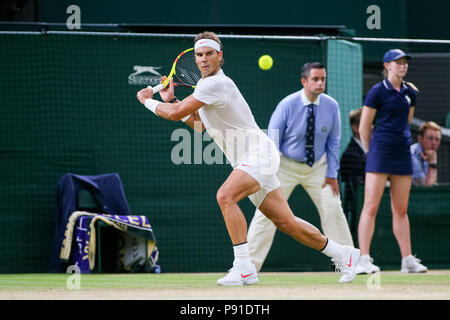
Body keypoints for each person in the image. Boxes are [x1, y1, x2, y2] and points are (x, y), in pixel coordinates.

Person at [136, 31, 360, 285]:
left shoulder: (214, 84)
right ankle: (344, 254)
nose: (203, 59)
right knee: (287, 222)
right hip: (255, 158)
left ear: (220, 56)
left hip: (258, 154)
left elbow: (175, 114)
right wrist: (173, 98)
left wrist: (147, 101)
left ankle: (244, 267)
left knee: (225, 196)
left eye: (209, 54)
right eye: (199, 55)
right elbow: (198, 124)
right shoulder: (205, 87)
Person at [247, 62, 354, 272]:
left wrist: (332, 174)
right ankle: (249, 267)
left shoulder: (331, 105)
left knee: (333, 209)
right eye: (315, 79)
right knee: (266, 213)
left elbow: (334, 142)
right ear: (304, 81)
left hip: (319, 169)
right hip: (284, 166)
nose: (320, 83)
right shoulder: (287, 104)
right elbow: (273, 139)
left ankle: (349, 261)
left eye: (323, 79)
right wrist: (269, 173)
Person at [356, 49, 427, 274]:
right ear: (387, 65)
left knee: (401, 209)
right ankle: (364, 259)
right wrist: (371, 151)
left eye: (405, 62)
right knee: (371, 206)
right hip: (380, 152)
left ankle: (407, 260)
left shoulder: (410, 93)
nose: (403, 66)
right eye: (398, 62)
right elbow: (364, 126)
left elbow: (406, 123)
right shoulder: (377, 92)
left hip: (401, 154)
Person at [340, 108, 367, 244]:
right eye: (367, 123)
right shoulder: (350, 154)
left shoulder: (372, 149)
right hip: (357, 210)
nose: (372, 127)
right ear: (356, 127)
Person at [411, 121, 442, 186]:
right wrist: (433, 164)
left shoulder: (429, 155)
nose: (434, 143)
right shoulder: (412, 156)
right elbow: (426, 187)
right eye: (430, 138)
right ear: (420, 138)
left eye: (437, 139)